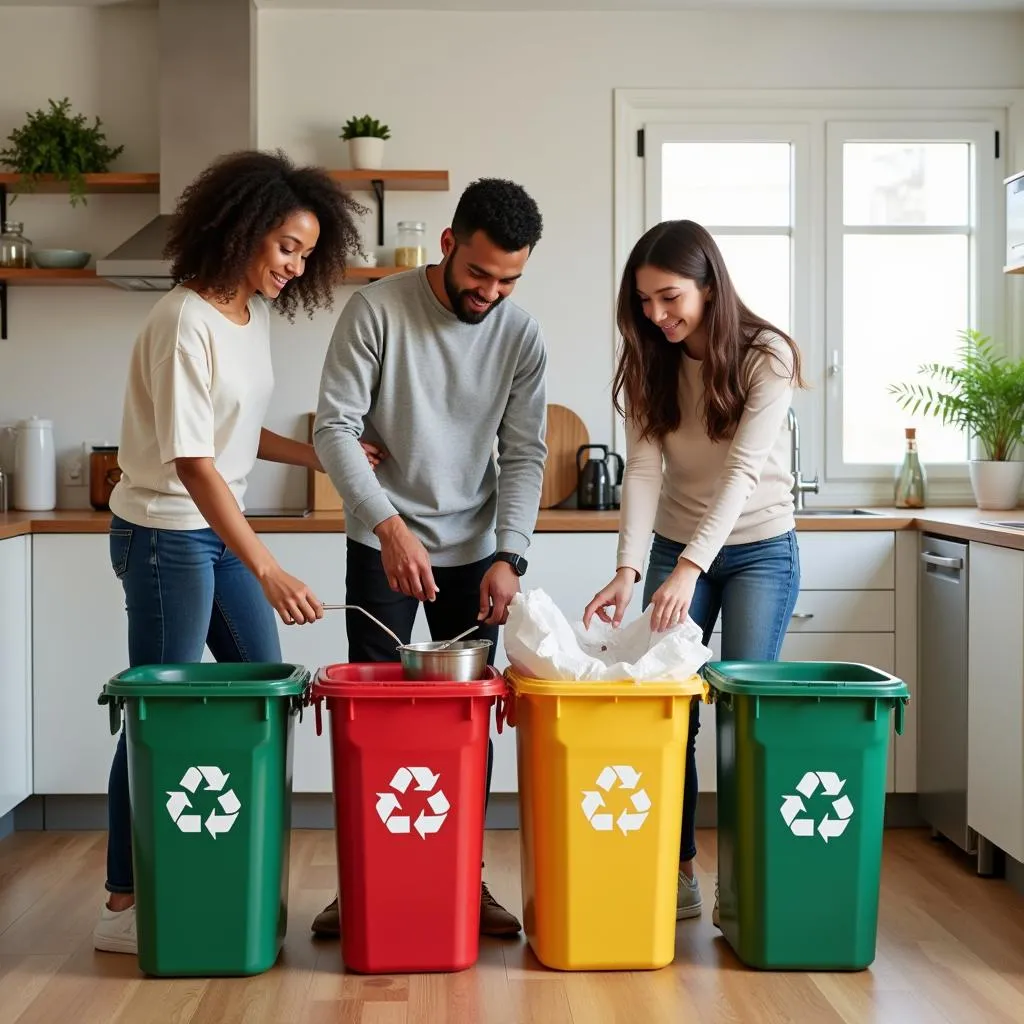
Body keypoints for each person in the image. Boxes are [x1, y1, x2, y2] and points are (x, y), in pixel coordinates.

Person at [93, 150, 368, 955]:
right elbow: (192, 462)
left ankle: (218, 862)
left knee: (266, 688)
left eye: (307, 253)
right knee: (157, 710)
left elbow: (237, 436)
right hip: (164, 536)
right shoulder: (182, 321)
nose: (296, 265)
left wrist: (323, 456)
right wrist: (269, 565)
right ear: (242, 228)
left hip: (211, 532)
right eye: (286, 245)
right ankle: (126, 896)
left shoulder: (250, 315)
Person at [311, 177, 548, 939]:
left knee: (463, 727)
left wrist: (510, 554)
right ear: (448, 245)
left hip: (475, 556)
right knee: (374, 721)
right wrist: (386, 524)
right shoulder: (377, 311)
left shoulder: (520, 335)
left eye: (509, 279)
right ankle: (367, 882)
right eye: (480, 274)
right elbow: (334, 428)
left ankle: (463, 878)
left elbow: (523, 455)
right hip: (381, 542)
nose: (491, 292)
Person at [583, 219, 805, 924]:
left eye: (670, 297)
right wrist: (627, 568)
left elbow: (742, 472)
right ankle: (675, 870)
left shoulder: (765, 355)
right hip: (677, 547)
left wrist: (687, 569)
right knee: (667, 709)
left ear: (710, 284)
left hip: (760, 548)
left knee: (742, 712)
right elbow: (644, 470)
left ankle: (742, 883)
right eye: (645, 301)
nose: (657, 314)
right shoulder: (652, 356)